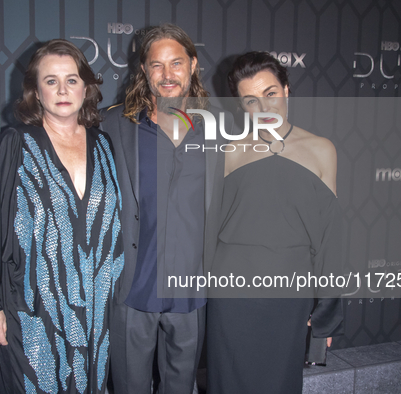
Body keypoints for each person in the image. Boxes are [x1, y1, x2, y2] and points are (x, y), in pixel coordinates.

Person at [0, 39, 123, 394]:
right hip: (33, 310)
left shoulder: (104, 145)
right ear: (36, 92)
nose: (63, 89)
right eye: (51, 81)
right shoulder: (14, 145)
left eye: (72, 79)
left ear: (87, 86)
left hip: (97, 312)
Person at [99, 24, 230, 394]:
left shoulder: (219, 132)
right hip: (133, 289)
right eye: (157, 65)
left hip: (192, 293)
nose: (167, 74)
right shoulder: (113, 126)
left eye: (176, 63)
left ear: (192, 65)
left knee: (181, 386)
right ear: (144, 71)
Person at [206, 51, 344, 393]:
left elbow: (330, 236)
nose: (263, 108)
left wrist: (326, 314)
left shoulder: (321, 149)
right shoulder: (228, 152)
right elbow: (209, 230)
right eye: (250, 100)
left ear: (286, 89)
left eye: (269, 94)